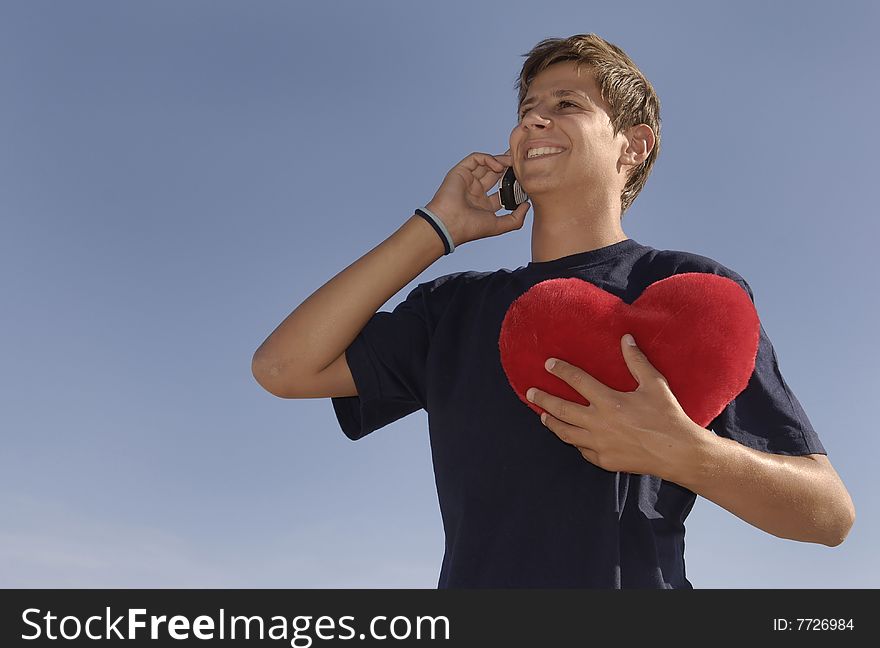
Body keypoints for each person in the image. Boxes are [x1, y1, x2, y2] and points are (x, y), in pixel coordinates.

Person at [252, 34, 855, 588]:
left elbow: (828, 515)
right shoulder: (452, 309)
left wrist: (684, 452)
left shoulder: (693, 294)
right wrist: (437, 229)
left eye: (568, 104)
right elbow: (282, 368)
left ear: (633, 146)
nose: (534, 119)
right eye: (525, 109)